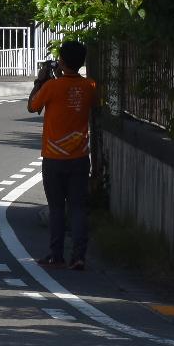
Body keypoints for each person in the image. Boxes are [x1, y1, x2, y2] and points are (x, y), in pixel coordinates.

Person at [29, 39, 99, 270]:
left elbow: (32, 106)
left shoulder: (52, 87)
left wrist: (42, 79)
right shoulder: (90, 86)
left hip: (54, 157)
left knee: (57, 208)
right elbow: (95, 105)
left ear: (61, 61)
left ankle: (55, 254)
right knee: (78, 208)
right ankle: (79, 256)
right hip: (79, 157)